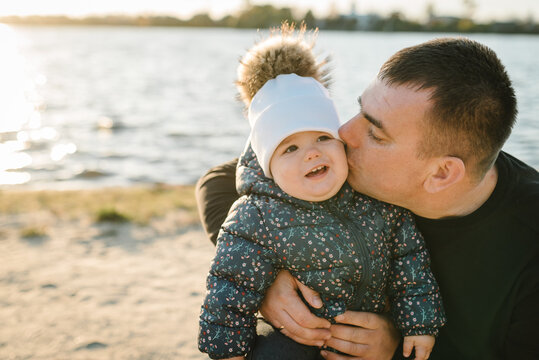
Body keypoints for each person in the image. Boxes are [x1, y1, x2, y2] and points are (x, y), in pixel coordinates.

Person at [196, 36, 539, 360]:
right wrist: (270, 282)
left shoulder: (528, 254)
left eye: (375, 132)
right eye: (360, 110)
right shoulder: (347, 167)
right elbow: (219, 181)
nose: (344, 132)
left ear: (441, 174)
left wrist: (395, 351)